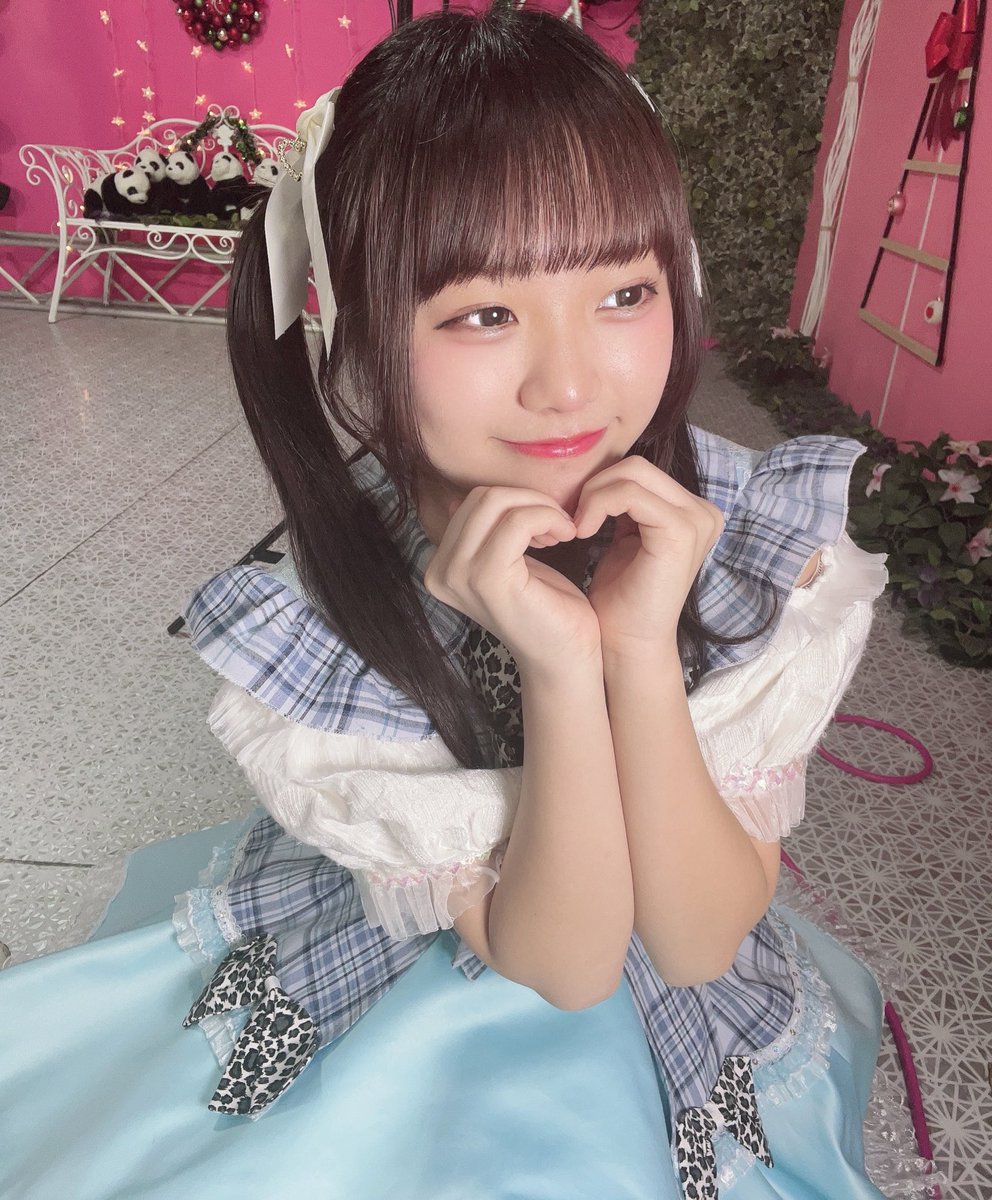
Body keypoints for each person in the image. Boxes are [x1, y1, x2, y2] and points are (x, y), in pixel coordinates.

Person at [0, 9, 926, 1199]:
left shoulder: (738, 534)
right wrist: (558, 665)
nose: (570, 384)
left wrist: (641, 650)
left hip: (675, 964)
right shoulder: (325, 616)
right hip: (465, 954)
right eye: (484, 313)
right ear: (354, 320)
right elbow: (568, 967)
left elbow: (695, 944)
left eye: (624, 292)